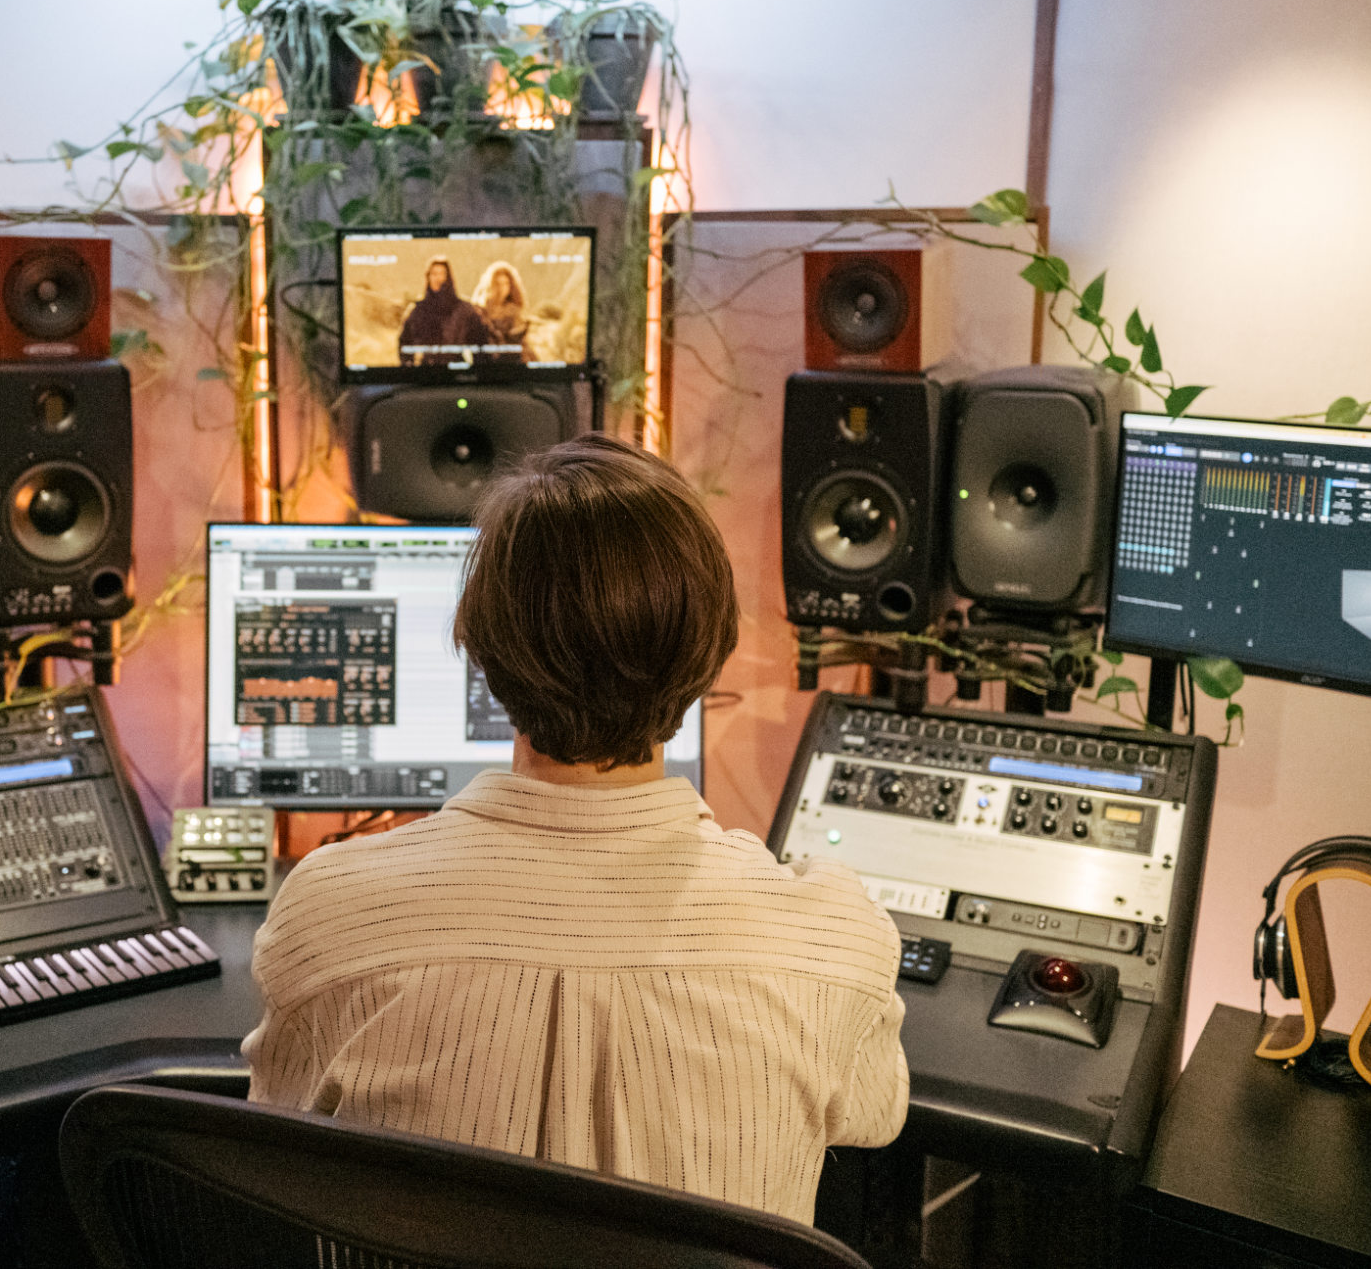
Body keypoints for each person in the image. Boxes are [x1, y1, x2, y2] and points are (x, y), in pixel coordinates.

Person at [245, 435, 908, 1226]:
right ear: (710, 655)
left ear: (482, 654)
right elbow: (871, 1118)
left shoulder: (328, 908)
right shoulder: (836, 939)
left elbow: (276, 1131)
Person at [398, 256, 493, 365]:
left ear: (448, 277)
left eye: (442, 273)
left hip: (456, 369)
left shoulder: (464, 310)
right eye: (434, 274)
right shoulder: (417, 310)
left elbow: (480, 344)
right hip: (426, 371)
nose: (438, 278)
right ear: (428, 277)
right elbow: (404, 343)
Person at [470, 260, 529, 354]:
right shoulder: (480, 311)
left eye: (506, 283)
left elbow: (519, 345)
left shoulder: (515, 313)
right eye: (498, 284)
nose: (502, 288)